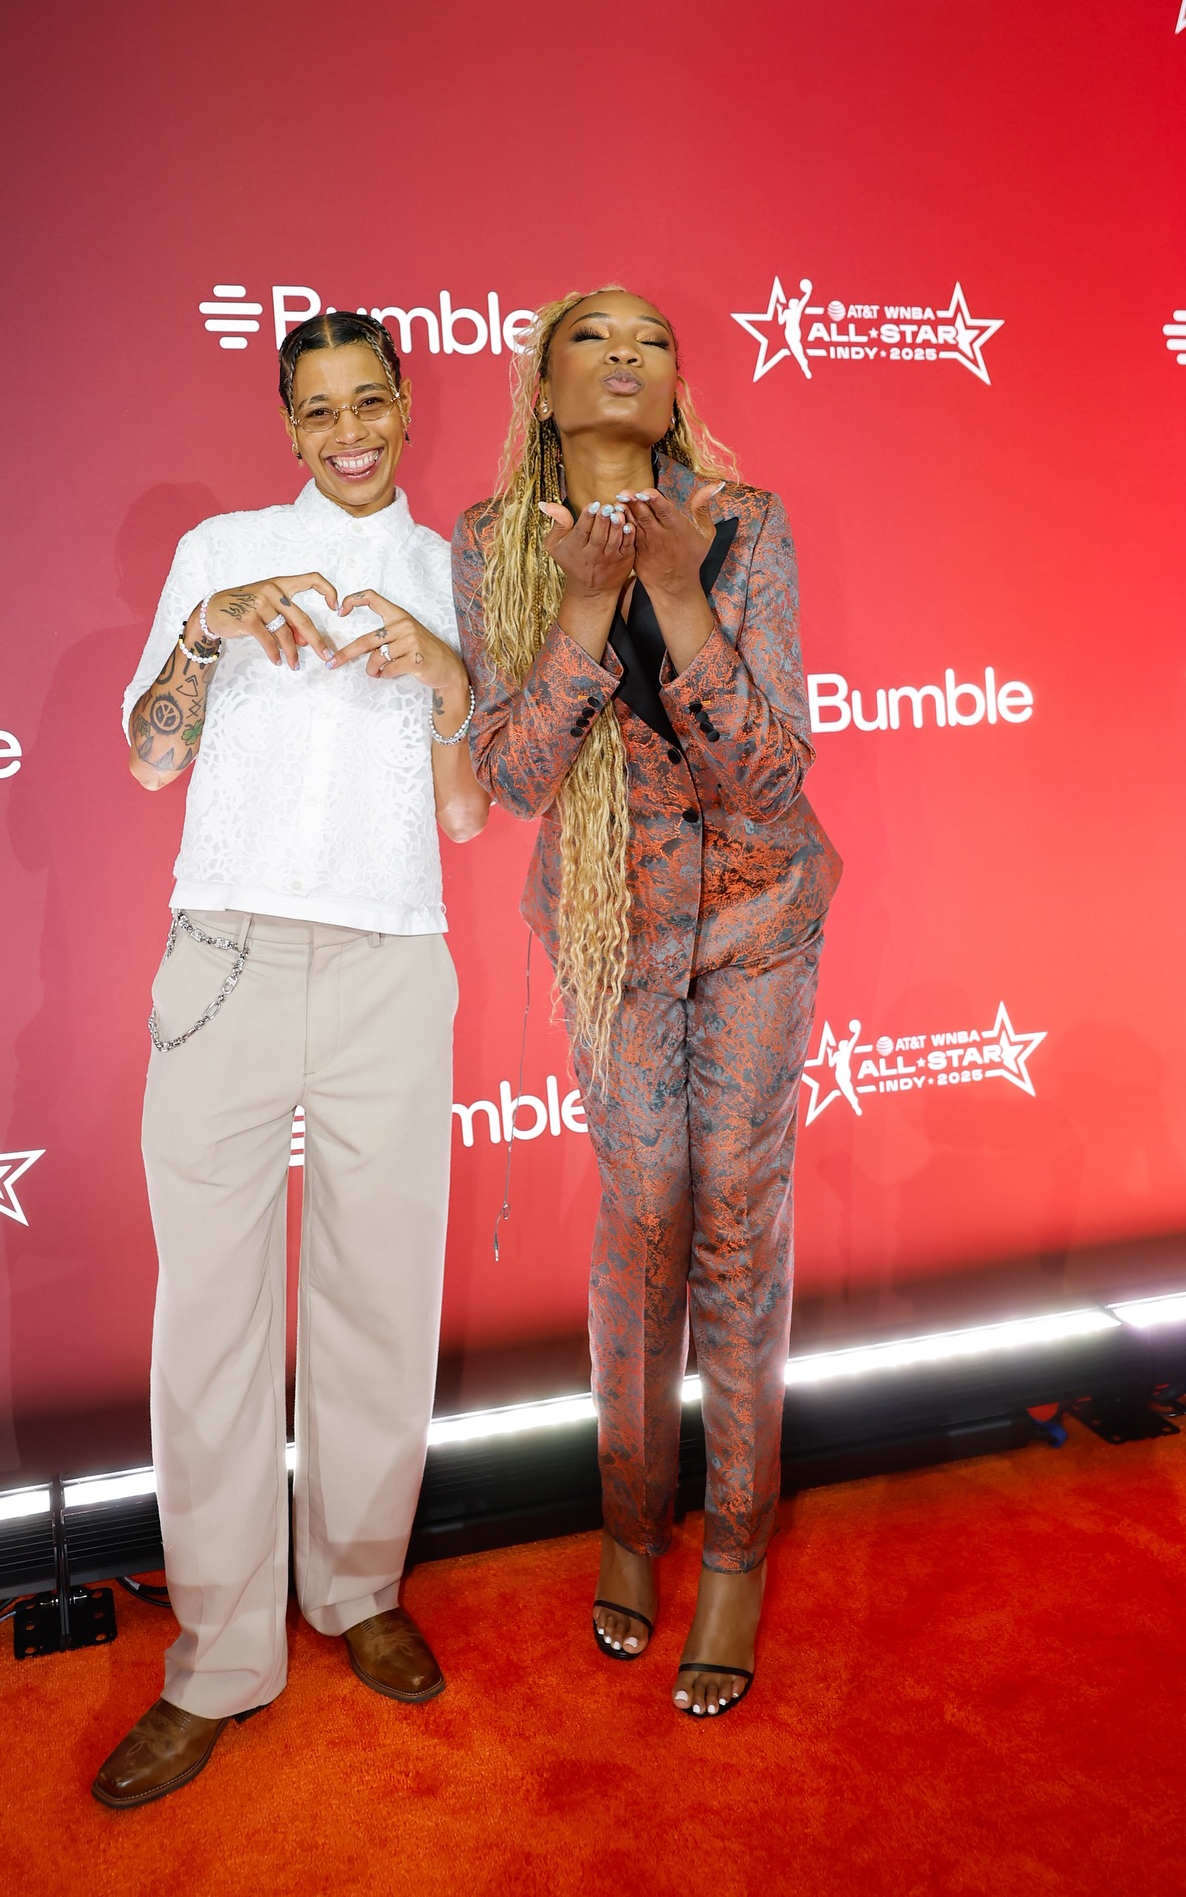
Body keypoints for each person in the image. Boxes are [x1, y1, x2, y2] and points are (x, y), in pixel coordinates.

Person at [96, 312, 488, 1809]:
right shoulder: (222, 551)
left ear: (404, 406)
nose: (349, 432)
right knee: (210, 1314)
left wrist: (446, 677)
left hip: (393, 958)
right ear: (287, 426)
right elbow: (149, 754)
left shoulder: (454, 571)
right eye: (318, 409)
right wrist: (209, 628)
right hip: (229, 955)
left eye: (369, 401)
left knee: (381, 1297)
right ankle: (218, 1657)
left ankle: (359, 1588)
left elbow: (466, 813)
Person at [452, 288, 840, 1720]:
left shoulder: (746, 522)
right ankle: (631, 1524)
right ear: (543, 385)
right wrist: (582, 607)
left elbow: (771, 777)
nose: (626, 352)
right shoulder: (493, 543)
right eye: (592, 336)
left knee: (736, 1213)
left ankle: (733, 1551)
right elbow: (512, 776)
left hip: (754, 917)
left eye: (652, 338)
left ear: (676, 386)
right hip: (612, 925)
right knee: (644, 1217)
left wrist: (679, 593)